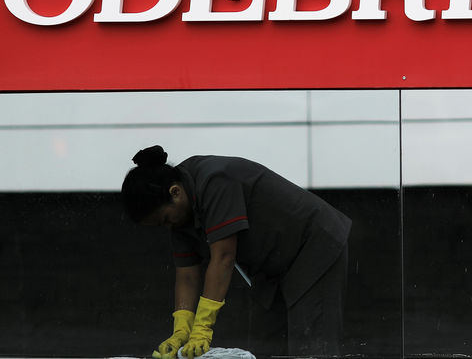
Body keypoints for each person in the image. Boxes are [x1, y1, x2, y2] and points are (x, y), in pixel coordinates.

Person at [121, 145, 351, 359]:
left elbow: (223, 258)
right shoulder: (180, 214)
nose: (168, 227)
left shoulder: (215, 181)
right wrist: (182, 329)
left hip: (313, 246)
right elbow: (187, 275)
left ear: (175, 192)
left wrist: (202, 328)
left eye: (165, 219)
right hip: (272, 268)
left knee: (312, 345)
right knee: (267, 345)